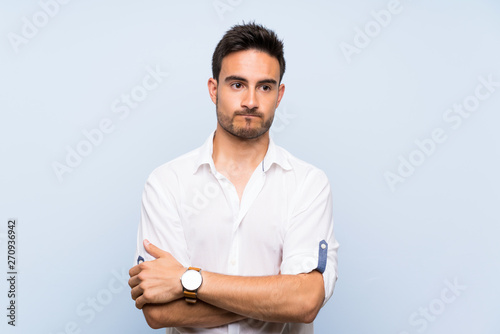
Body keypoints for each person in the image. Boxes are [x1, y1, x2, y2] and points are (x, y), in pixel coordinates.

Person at [128, 22, 339, 333]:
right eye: (237, 84)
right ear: (214, 89)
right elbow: (159, 313)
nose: (251, 101)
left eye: (264, 87)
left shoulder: (308, 184)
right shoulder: (166, 184)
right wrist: (274, 299)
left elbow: (304, 303)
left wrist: (189, 280)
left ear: (279, 95)